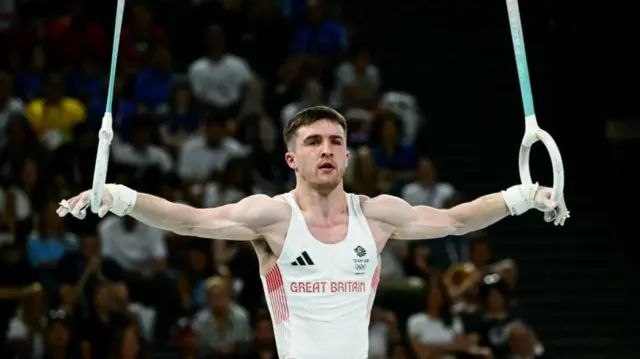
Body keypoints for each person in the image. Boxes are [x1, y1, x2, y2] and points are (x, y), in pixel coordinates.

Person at [57, 106, 569, 359]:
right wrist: (118, 196)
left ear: (347, 155)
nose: (326, 149)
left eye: (336, 141)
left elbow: (457, 219)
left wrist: (524, 196)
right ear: (291, 157)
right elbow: (191, 220)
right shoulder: (272, 218)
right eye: (314, 141)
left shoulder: (379, 214)